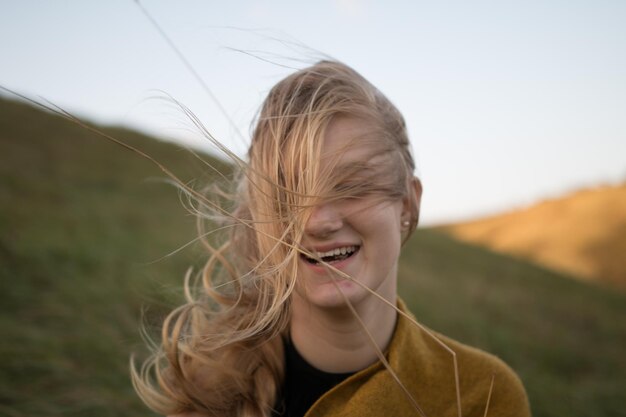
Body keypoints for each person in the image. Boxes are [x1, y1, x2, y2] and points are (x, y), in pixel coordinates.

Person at [132, 60, 531, 417]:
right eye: (287, 194)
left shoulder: (481, 395)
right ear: (259, 216)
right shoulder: (208, 392)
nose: (317, 222)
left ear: (408, 203)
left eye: (350, 185)